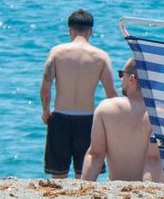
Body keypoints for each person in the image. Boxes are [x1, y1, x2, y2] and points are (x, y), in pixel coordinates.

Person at [40, 10, 116, 178]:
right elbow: (111, 94)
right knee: (85, 176)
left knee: (58, 176)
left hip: (60, 118)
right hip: (88, 119)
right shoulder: (101, 57)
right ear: (90, 31)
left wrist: (45, 110)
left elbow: (46, 87)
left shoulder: (57, 53)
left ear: (70, 30)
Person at [80, 57, 164, 183]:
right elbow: (153, 160)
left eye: (121, 74)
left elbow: (96, 156)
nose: (120, 79)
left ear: (132, 78)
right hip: (150, 187)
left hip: (117, 186)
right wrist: (146, 193)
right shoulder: (158, 113)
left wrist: (84, 187)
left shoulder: (105, 109)